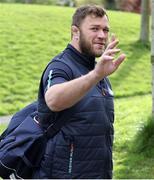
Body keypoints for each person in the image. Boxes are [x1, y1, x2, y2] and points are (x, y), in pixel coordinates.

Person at [33, 5, 126, 179]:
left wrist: (98, 74)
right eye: (94, 29)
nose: (102, 35)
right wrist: (96, 75)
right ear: (75, 32)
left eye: (105, 30)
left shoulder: (99, 71)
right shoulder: (61, 66)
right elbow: (53, 100)